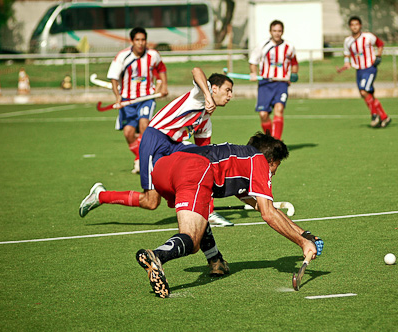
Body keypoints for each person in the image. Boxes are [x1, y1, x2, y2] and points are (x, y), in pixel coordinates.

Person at [79, 68, 234, 275]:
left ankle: (210, 226)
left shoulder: (206, 122)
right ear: (213, 88)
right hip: (156, 139)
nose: (231, 95)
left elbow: (204, 156)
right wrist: (207, 96)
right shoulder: (199, 95)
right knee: (151, 202)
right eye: (228, 90)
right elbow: (196, 70)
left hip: (175, 146)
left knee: (204, 161)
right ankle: (101, 195)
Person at [135, 133, 324, 298]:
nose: (273, 173)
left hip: (163, 169)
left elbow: (266, 208)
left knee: (199, 215)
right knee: (191, 241)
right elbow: (268, 214)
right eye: (276, 166)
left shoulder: (238, 164)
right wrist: (302, 243)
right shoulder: (258, 160)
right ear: (271, 161)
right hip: (193, 169)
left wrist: (304, 234)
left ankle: (215, 260)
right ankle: (157, 255)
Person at [107, 27, 168, 174]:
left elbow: (161, 68)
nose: (141, 43)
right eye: (137, 40)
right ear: (132, 41)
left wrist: (163, 87)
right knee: (128, 133)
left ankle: (145, 160)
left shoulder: (153, 55)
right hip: (128, 99)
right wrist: (117, 96)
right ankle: (140, 157)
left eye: (143, 40)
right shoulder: (122, 56)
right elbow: (114, 78)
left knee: (143, 125)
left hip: (147, 97)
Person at [337, 16, 391, 128]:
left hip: (370, 68)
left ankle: (374, 115)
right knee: (368, 95)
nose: (354, 27)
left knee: (363, 91)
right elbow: (346, 54)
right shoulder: (348, 41)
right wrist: (347, 63)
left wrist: (379, 56)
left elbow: (380, 44)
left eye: (356, 24)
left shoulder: (368, 37)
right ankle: (384, 117)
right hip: (359, 70)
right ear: (349, 27)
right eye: (352, 25)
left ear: (360, 25)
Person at [248, 20, 299, 140]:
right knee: (263, 114)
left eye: (279, 31)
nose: (277, 33)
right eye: (274, 31)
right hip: (265, 83)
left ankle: (276, 140)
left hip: (281, 83)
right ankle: (270, 139)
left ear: (283, 32)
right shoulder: (263, 45)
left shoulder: (289, 47)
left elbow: (294, 62)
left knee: (279, 109)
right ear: (270, 31)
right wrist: (253, 73)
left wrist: (294, 74)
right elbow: (253, 61)